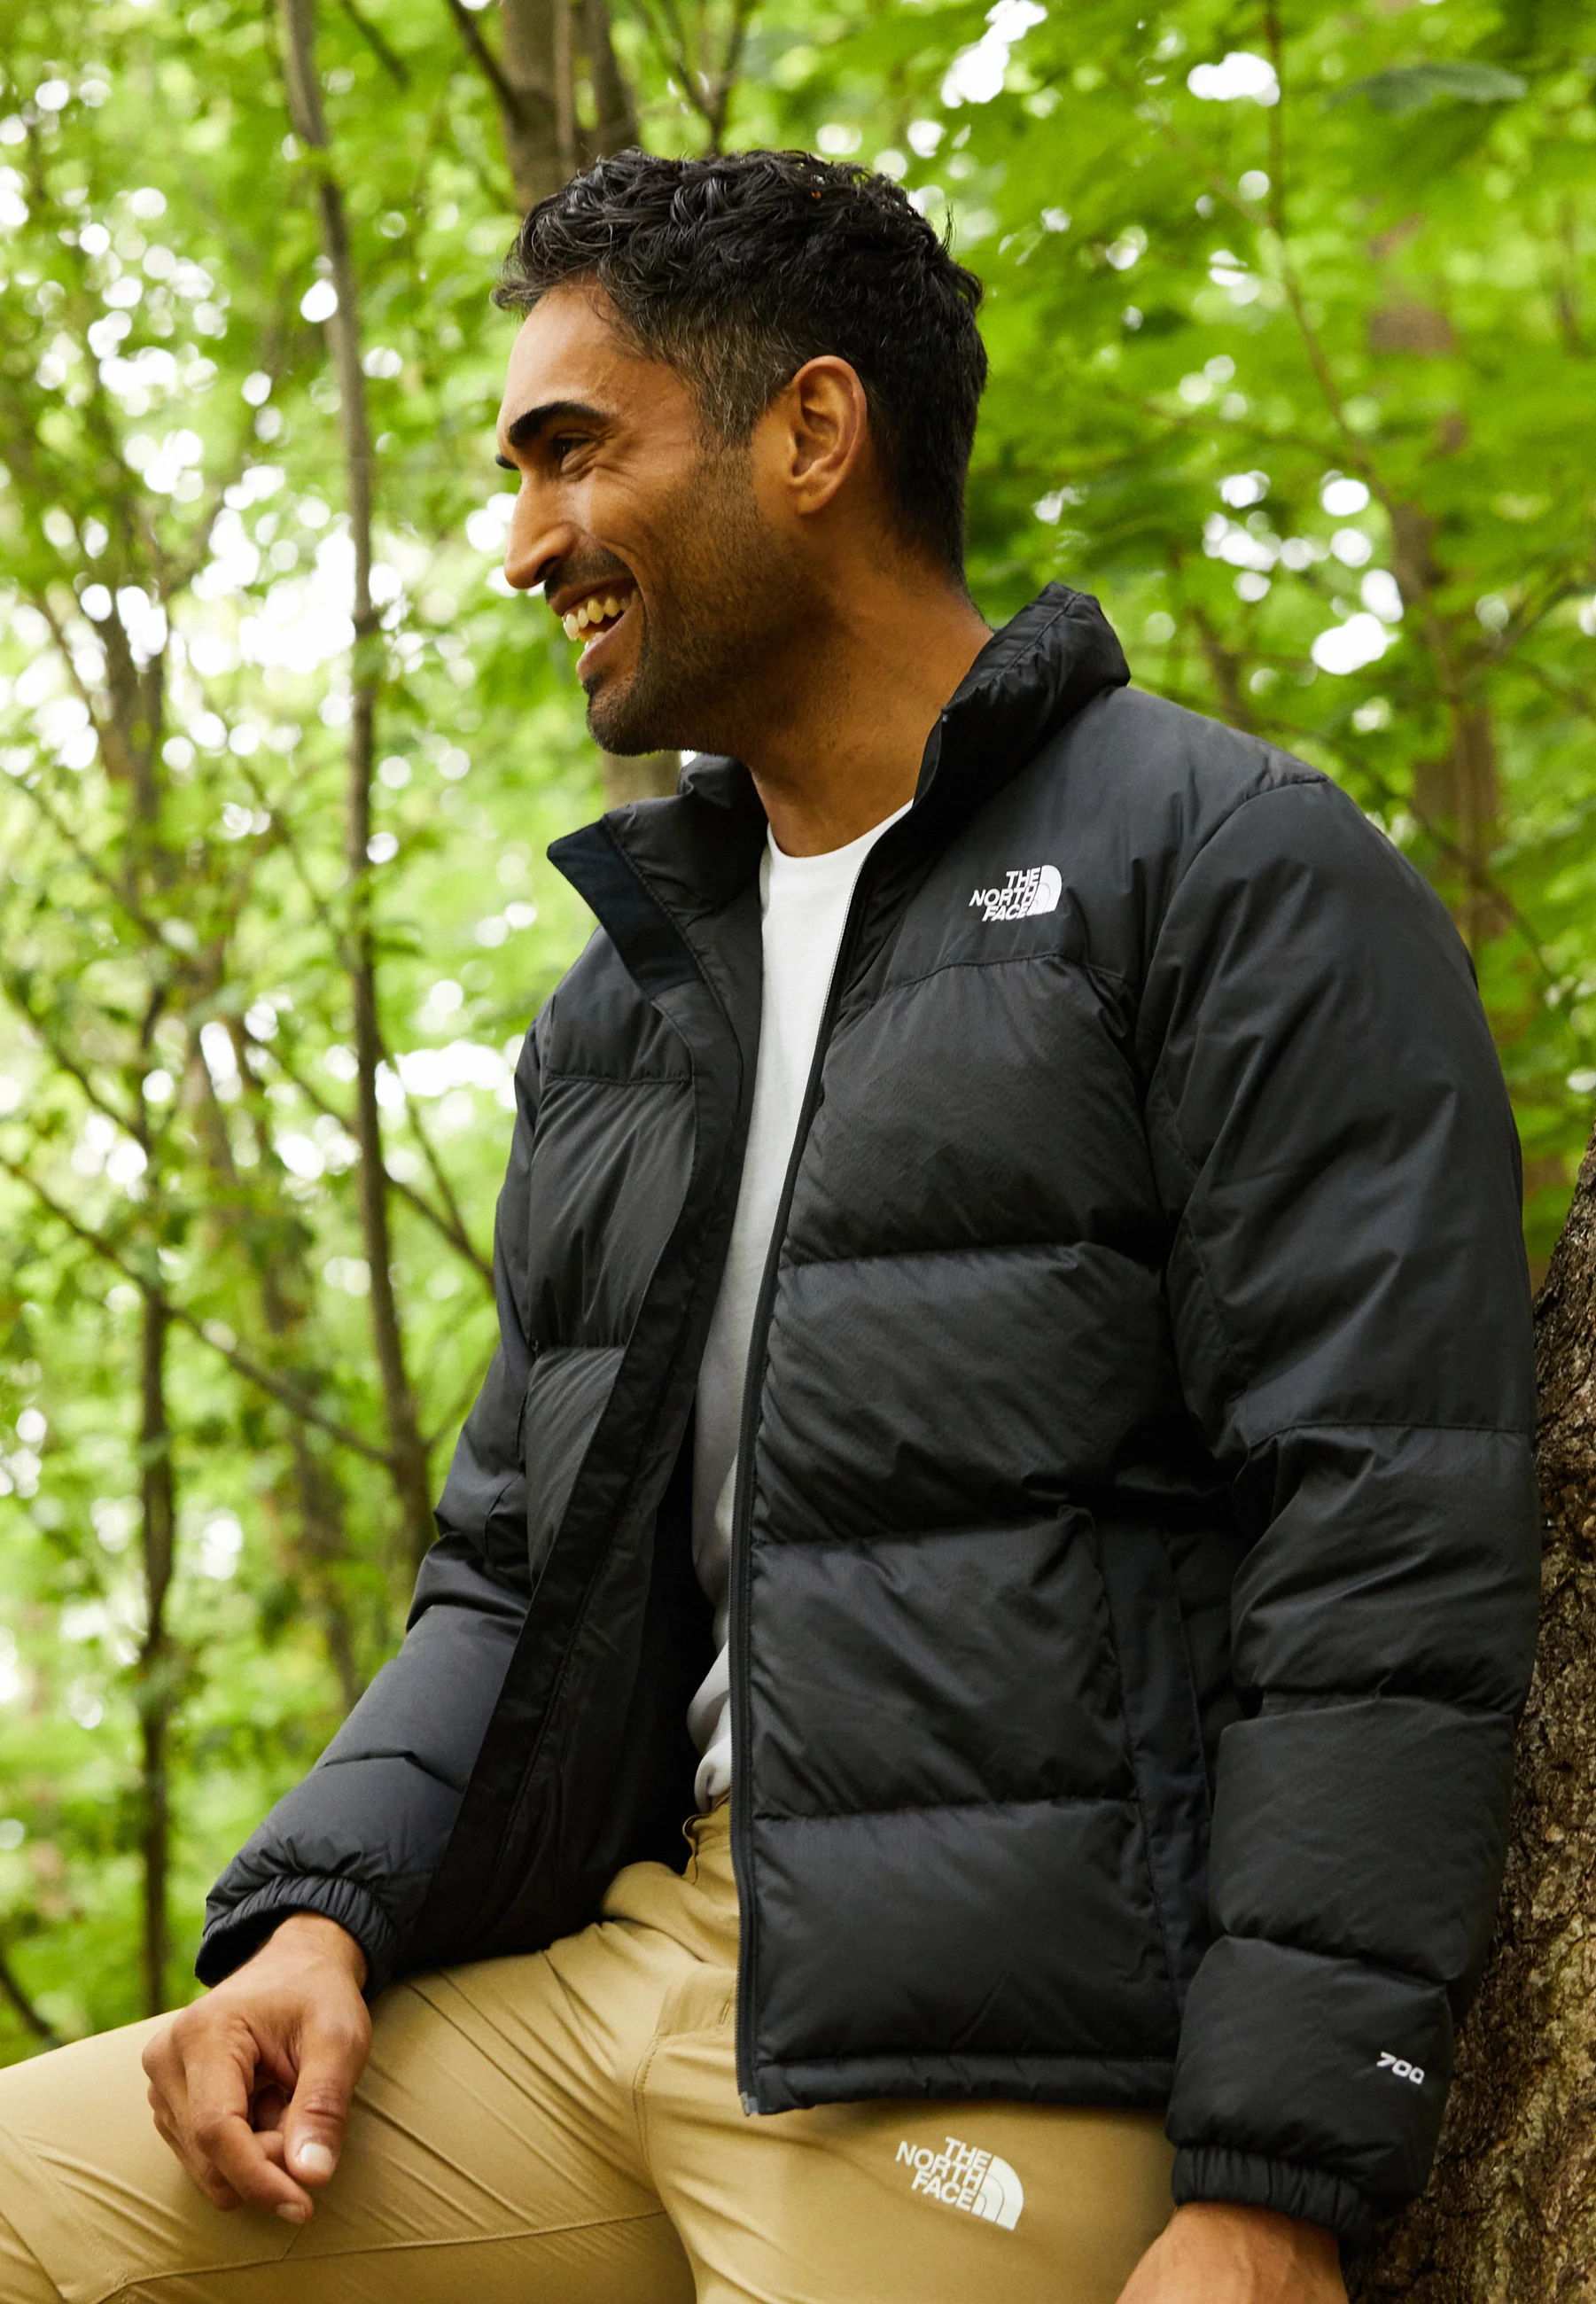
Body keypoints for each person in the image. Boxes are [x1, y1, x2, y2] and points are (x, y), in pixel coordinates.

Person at [0, 149, 1538, 2304]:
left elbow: (1381, 1534)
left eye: (573, 452)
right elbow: (509, 1560)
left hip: (991, 2058)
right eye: (515, 474)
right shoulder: (628, 1000)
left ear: (812, 432)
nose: (525, 541)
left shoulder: (1226, 872)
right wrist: (323, 1911)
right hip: (619, 1985)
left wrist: (1277, 2180)